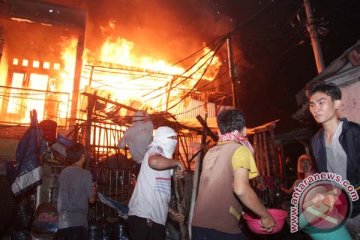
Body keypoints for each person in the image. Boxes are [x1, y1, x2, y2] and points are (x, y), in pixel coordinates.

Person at [191, 109, 275, 240]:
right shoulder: (240, 150)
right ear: (245, 130)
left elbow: (221, 188)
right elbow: (241, 189)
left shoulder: (210, 153)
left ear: (220, 131)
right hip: (221, 228)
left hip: (198, 226)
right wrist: (265, 215)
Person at [309, 82, 360, 238]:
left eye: (321, 102)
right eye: (312, 105)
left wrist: (341, 195)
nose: (315, 109)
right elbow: (326, 176)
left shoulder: (354, 133)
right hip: (338, 212)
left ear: (337, 103)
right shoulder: (316, 140)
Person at [127, 126, 185, 240]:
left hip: (156, 219)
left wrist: (170, 212)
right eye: (171, 138)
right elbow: (154, 161)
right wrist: (177, 162)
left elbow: (157, 192)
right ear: (161, 138)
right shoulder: (156, 148)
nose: (174, 141)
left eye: (175, 138)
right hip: (145, 218)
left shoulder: (165, 161)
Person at [56, 143, 97, 240]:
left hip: (63, 221)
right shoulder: (85, 174)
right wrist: (95, 190)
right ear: (83, 155)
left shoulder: (64, 172)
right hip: (78, 222)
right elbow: (92, 200)